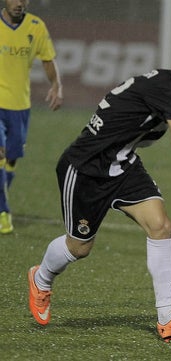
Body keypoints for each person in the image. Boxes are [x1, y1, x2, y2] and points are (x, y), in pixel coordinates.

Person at [27, 37, 171, 342]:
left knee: (161, 226)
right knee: (79, 247)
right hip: (86, 169)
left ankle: (168, 317)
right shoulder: (170, 84)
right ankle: (41, 278)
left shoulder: (169, 87)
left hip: (123, 165)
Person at [0, 0, 63, 234]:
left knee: (12, 158)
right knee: (0, 153)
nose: (19, 3)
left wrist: (56, 85)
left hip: (19, 105)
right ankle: (3, 212)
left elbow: (47, 59)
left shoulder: (36, 26)